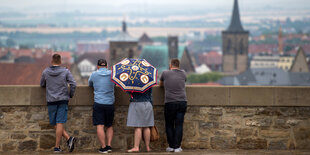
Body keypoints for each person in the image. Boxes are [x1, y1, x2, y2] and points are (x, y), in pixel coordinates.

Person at [40, 54, 77, 153]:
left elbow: (42, 84)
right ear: (60, 61)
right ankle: (68, 139)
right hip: (62, 100)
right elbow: (73, 84)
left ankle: (57, 146)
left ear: (52, 61)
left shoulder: (46, 72)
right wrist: (71, 94)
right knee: (58, 123)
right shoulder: (65, 71)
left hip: (51, 100)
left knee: (55, 123)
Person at [159, 58, 187, 153]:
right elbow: (184, 81)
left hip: (170, 102)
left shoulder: (165, 73)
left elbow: (160, 85)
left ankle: (171, 146)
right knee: (179, 125)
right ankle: (177, 147)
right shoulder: (183, 73)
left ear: (171, 65)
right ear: (178, 65)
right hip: (182, 101)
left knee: (169, 124)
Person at [88, 59, 115, 153]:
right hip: (110, 103)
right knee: (109, 125)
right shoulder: (112, 74)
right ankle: (109, 145)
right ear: (106, 66)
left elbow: (90, 84)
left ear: (98, 66)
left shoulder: (94, 74)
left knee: (100, 125)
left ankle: (103, 147)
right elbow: (115, 84)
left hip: (99, 102)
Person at [127, 88, 154, 153]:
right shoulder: (147, 80)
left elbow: (129, 92)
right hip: (148, 104)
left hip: (137, 103)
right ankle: (147, 147)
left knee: (138, 126)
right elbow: (150, 94)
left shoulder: (133, 82)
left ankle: (136, 147)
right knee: (146, 127)